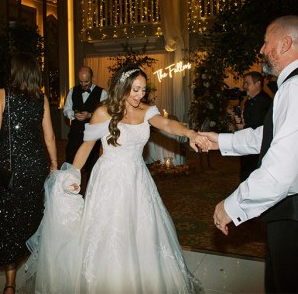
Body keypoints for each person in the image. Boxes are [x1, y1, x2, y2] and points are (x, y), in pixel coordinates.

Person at [19, 65, 208, 294]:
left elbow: (167, 124)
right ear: (123, 87)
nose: (141, 95)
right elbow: (86, 147)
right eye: (136, 90)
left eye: (143, 90)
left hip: (137, 179)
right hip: (108, 179)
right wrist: (73, 173)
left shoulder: (147, 111)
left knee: (142, 229)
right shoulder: (102, 112)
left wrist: (190, 134)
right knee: (108, 233)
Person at [201, 15, 298, 293]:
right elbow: (270, 135)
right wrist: (220, 141)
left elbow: (282, 171)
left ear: (285, 43)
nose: (261, 50)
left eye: (266, 42)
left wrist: (232, 206)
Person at [0, 53, 58, 294]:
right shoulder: (42, 99)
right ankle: (39, 266)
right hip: (36, 166)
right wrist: (54, 165)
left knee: (9, 221)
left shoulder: (2, 94)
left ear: (15, 72)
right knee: (35, 215)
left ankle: (10, 283)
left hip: (12, 169)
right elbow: (49, 136)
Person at [63, 66, 107, 177]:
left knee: (92, 169)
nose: (83, 85)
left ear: (92, 78)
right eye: (80, 81)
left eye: (86, 81)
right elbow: (66, 109)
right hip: (74, 136)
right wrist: (73, 114)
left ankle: (89, 193)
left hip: (93, 138)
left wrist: (90, 115)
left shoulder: (102, 93)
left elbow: (106, 115)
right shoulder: (73, 90)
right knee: (70, 166)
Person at [233, 71, 272, 182]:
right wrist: (240, 124)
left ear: (258, 84)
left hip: (257, 146)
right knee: (245, 173)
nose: (244, 86)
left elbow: (260, 126)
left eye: (247, 83)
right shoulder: (249, 101)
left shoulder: (265, 101)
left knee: (254, 176)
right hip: (248, 142)